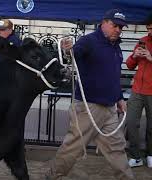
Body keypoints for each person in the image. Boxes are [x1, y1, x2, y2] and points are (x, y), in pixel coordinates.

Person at [45, 9, 135, 180]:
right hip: (88, 109)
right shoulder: (88, 41)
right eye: (115, 26)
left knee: (116, 149)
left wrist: (119, 98)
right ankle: (52, 176)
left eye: (121, 27)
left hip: (109, 109)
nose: (118, 30)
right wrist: (67, 50)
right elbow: (74, 55)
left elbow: (113, 76)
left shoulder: (115, 46)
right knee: (72, 149)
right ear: (104, 22)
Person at [125, 13, 152, 168]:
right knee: (131, 122)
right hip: (137, 90)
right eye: (148, 28)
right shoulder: (142, 41)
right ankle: (135, 156)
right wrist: (135, 56)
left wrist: (150, 57)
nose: (149, 31)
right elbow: (129, 65)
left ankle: (150, 154)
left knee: (151, 126)